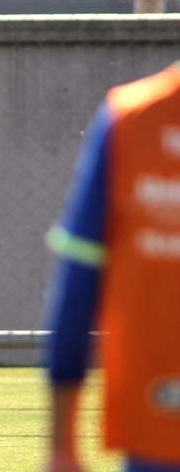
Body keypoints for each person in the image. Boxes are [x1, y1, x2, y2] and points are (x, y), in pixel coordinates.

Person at [45, 63, 180, 471]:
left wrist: (63, 444)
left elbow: (77, 283)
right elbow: (79, 276)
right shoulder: (130, 118)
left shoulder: (131, 117)